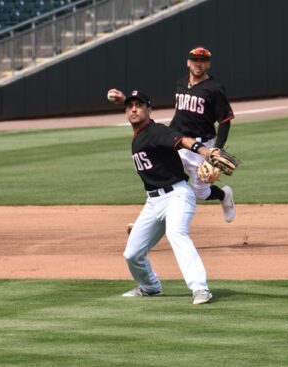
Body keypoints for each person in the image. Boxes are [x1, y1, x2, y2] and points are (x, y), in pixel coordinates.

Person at [108, 46, 236, 224]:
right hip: (175, 140)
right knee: (159, 174)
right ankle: (148, 220)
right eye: (195, 60)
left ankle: (224, 196)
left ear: (208, 64)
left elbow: (225, 120)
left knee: (202, 192)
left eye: (203, 61)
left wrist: (215, 150)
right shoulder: (181, 83)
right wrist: (125, 101)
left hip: (201, 146)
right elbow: (145, 107)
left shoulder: (215, 89)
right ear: (188, 62)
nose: (198, 64)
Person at [119, 89, 213, 305]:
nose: (134, 109)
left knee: (176, 233)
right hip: (153, 202)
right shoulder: (139, 135)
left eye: (139, 105)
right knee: (132, 254)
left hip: (177, 196)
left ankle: (200, 288)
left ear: (149, 109)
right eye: (130, 106)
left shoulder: (155, 131)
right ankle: (150, 287)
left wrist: (203, 150)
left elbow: (181, 140)